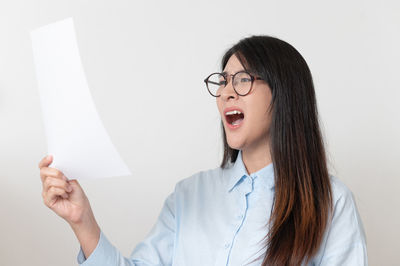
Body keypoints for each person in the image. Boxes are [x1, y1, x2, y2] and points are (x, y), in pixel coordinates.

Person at [38, 35, 368, 265]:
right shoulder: (188, 195)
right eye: (222, 81)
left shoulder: (331, 203)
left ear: (285, 94)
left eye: (243, 80)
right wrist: (82, 222)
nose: (226, 92)